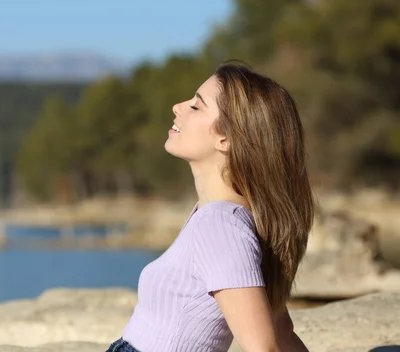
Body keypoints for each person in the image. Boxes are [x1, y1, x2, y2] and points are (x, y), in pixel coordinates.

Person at [106, 63, 314, 352]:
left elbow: (264, 347)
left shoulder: (221, 225)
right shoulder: (225, 218)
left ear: (225, 139)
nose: (177, 107)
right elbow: (282, 333)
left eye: (196, 106)